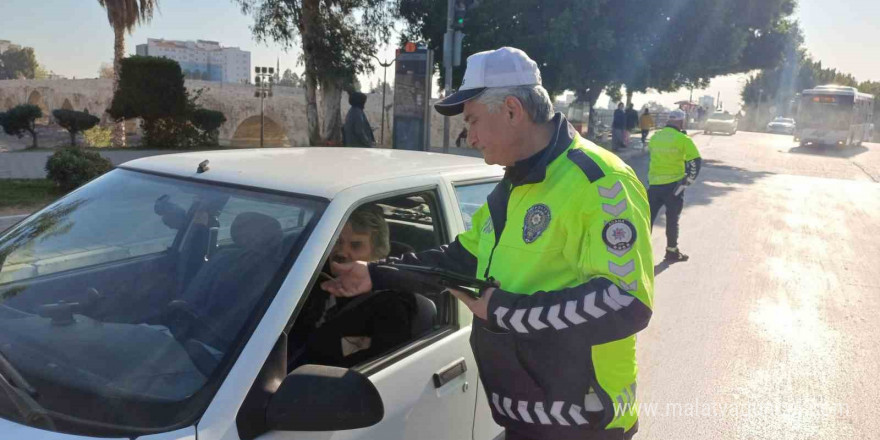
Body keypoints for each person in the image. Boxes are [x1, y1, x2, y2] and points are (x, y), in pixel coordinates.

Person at [323, 47, 653, 440]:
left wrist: (505, 311)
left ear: (512, 110)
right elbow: (459, 259)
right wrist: (375, 274)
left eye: (474, 121)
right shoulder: (511, 186)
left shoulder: (601, 182)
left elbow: (627, 302)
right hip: (526, 415)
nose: (469, 136)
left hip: (585, 421)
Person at [289, 205, 415, 369]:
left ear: (377, 253)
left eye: (355, 245)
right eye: (337, 242)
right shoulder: (308, 279)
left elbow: (380, 367)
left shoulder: (391, 304)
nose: (341, 252)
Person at [646, 109, 702, 262]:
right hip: (673, 187)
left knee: (647, 219)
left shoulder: (655, 137)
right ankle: (671, 252)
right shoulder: (683, 139)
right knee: (672, 220)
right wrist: (688, 181)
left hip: (654, 186)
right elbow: (695, 161)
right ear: (681, 122)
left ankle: (641, 252)